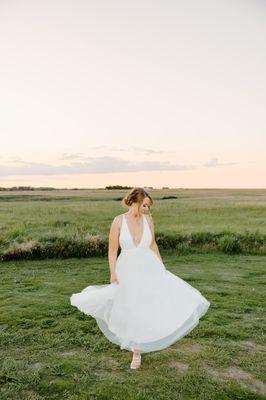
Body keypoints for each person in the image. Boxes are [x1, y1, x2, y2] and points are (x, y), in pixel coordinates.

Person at [70, 187, 210, 370]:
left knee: (147, 304)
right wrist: (113, 273)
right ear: (135, 202)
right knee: (130, 306)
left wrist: (161, 266)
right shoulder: (118, 221)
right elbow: (112, 251)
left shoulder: (148, 220)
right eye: (145, 205)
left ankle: (145, 344)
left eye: (149, 206)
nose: (147, 209)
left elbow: (152, 244)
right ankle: (135, 347)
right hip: (126, 268)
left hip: (149, 267)